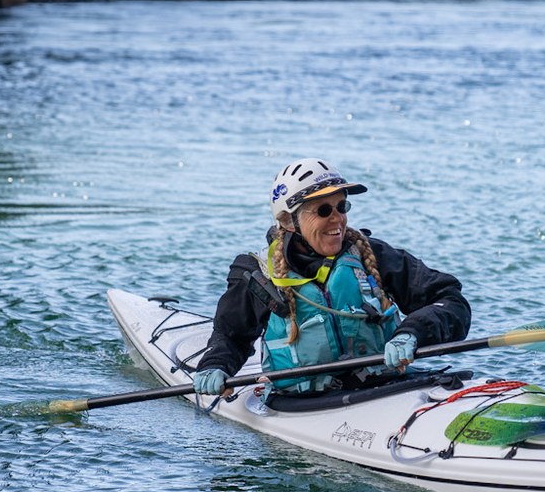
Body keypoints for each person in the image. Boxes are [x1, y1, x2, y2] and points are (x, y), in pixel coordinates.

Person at [189, 159, 470, 398]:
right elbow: (231, 335)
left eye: (341, 207)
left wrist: (412, 332)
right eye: (323, 210)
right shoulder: (258, 275)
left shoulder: (372, 254)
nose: (337, 219)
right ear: (288, 221)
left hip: (386, 388)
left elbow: (450, 299)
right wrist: (216, 365)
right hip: (302, 404)